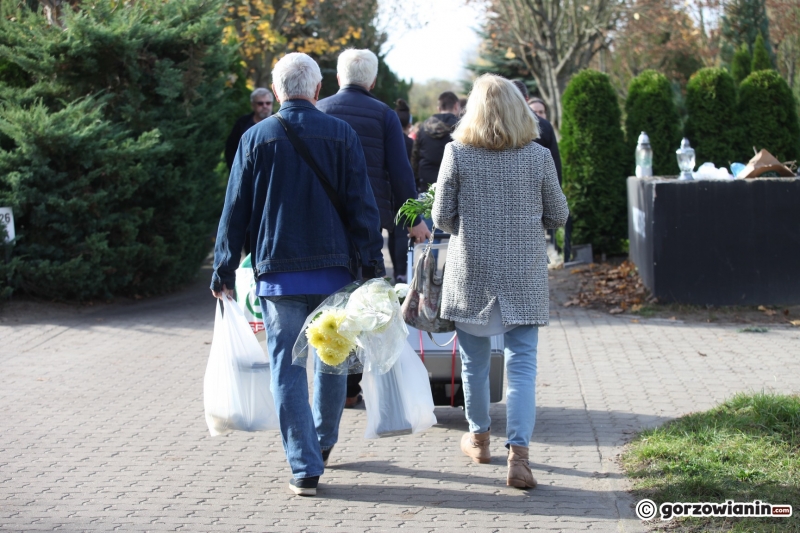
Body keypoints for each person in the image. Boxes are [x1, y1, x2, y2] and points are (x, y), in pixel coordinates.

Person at [211, 53, 386, 497]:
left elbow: (235, 210)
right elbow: (362, 204)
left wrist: (224, 266)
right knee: (332, 360)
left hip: (279, 273)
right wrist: (372, 264)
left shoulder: (256, 137)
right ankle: (323, 442)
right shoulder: (341, 133)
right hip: (335, 274)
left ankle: (304, 464)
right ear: (316, 87)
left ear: (277, 88)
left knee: (286, 367)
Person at [431, 74, 569, 489]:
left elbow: (440, 217)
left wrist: (467, 224)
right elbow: (559, 215)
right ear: (519, 109)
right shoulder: (538, 156)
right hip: (523, 272)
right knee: (522, 366)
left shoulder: (456, 153)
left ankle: (479, 439)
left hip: (471, 271)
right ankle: (520, 457)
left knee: (473, 363)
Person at [317, 49, 430, 408]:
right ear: (373, 80)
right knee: (361, 299)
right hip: (370, 221)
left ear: (337, 78)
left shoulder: (319, 111)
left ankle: (336, 381)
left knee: (332, 298)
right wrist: (414, 222)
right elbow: (400, 173)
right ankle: (353, 384)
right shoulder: (383, 114)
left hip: (324, 221)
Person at [411, 91, 461, 193]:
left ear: (439, 108)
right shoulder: (463, 128)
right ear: (456, 106)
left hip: (426, 182)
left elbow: (415, 156)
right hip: (453, 184)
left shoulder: (423, 127)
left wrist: (416, 181)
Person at [224, 88, 274, 170]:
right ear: (253, 105)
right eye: (260, 103)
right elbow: (231, 148)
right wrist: (235, 170)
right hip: (246, 172)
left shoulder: (281, 123)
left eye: (268, 103)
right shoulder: (242, 123)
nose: (265, 106)